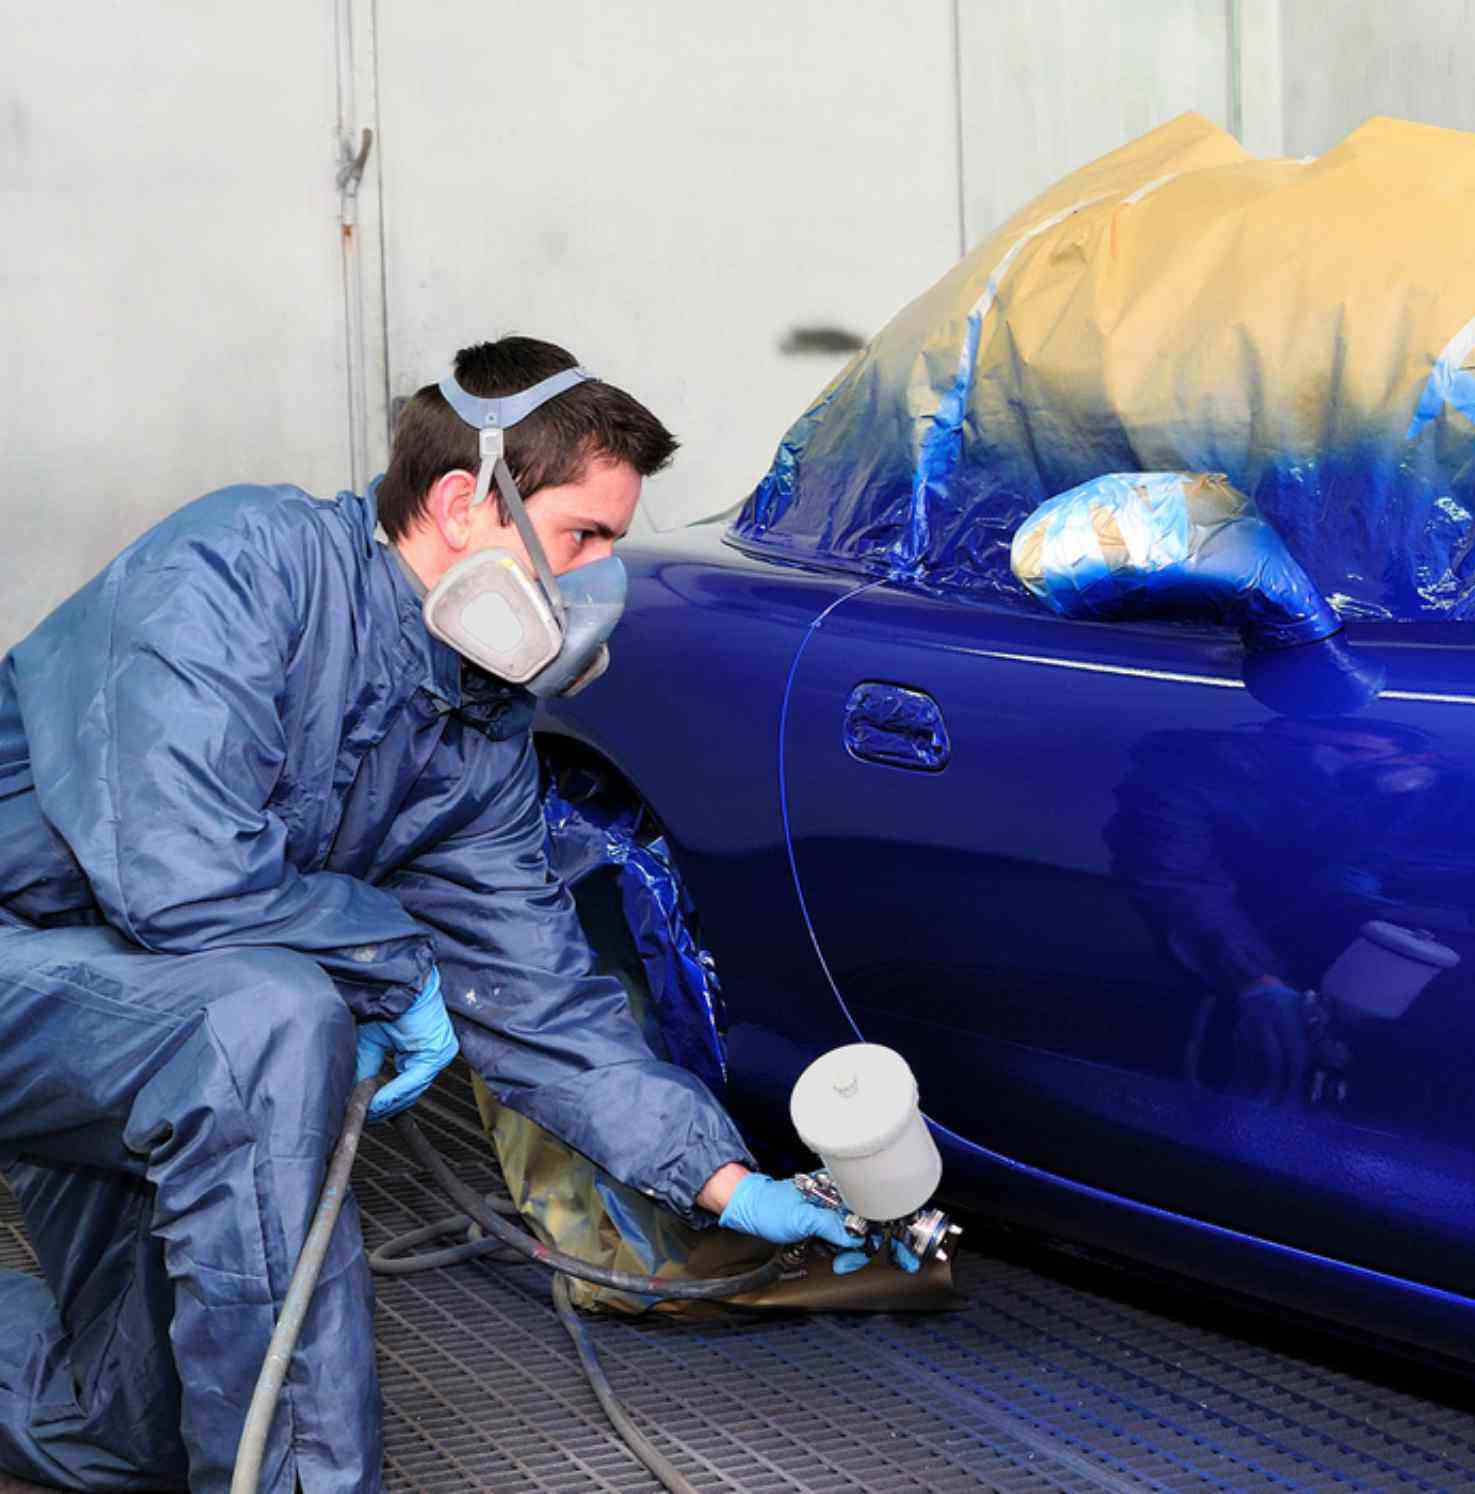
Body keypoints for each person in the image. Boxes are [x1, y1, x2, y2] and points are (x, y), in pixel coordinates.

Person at [0, 336, 865, 1493]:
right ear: (465, 503)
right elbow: (182, 872)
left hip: (128, 1027)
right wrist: (394, 966)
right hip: (52, 971)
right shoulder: (240, 565)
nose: (598, 582)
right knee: (271, 1022)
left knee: (124, 1437)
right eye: (584, 539)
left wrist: (727, 1181)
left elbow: (538, 998)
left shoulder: (474, 732)